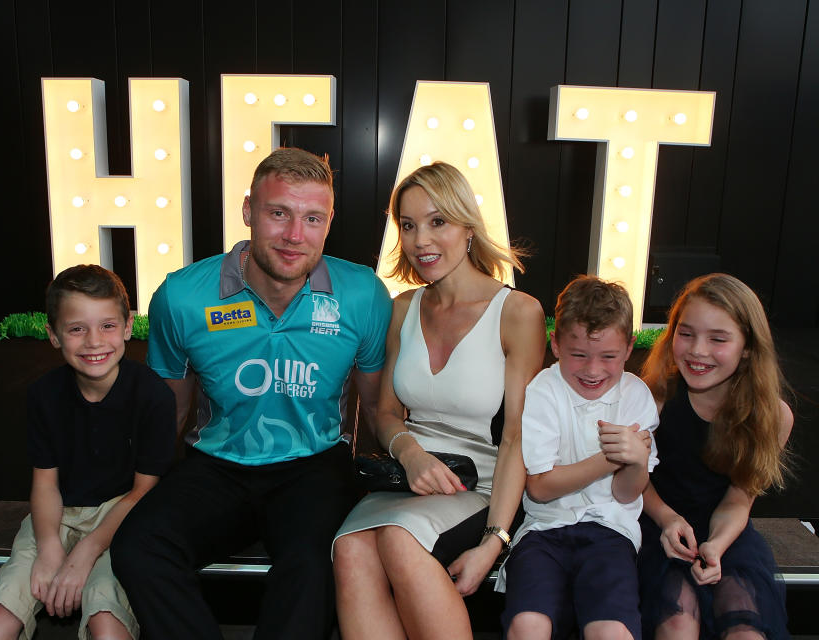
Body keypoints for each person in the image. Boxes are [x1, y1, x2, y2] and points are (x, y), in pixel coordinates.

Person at [109, 148, 393, 640]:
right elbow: (172, 409)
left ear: (329, 223)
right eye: (277, 212)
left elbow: (376, 407)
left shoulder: (362, 294)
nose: (293, 235)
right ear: (247, 211)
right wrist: (136, 492)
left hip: (315, 462)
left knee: (313, 564)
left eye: (312, 218)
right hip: (216, 464)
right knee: (138, 546)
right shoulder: (182, 296)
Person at [332, 161, 547, 640]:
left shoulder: (518, 312)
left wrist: (495, 540)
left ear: (467, 227)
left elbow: (517, 438)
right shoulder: (403, 308)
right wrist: (411, 455)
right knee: (348, 548)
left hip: (482, 484)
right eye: (407, 225)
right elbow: (384, 413)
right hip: (406, 478)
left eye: (437, 222)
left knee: (398, 538)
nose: (420, 240)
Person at [0, 265, 176, 640]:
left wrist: (86, 552)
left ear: (129, 326)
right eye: (77, 328)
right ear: (53, 335)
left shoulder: (153, 397)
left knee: (106, 625)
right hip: (56, 515)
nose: (94, 342)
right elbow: (45, 482)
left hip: (123, 518)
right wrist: (50, 548)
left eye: (107, 326)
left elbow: (142, 492)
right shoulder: (43, 395)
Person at [501, 275, 660, 640]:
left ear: (629, 348)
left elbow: (625, 494)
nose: (593, 370)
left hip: (610, 533)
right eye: (579, 355)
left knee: (610, 630)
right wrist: (614, 457)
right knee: (528, 626)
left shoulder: (635, 395)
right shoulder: (543, 389)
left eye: (608, 357)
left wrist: (635, 464)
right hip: (543, 532)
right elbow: (540, 488)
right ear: (555, 345)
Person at [637, 273, 793, 640]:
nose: (697, 350)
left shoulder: (773, 416)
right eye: (686, 333)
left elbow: (739, 501)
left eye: (718, 339)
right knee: (678, 622)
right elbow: (630, 481)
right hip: (657, 524)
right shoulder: (651, 399)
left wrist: (717, 546)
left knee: (745, 628)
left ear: (749, 347)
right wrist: (667, 518)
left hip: (727, 535)